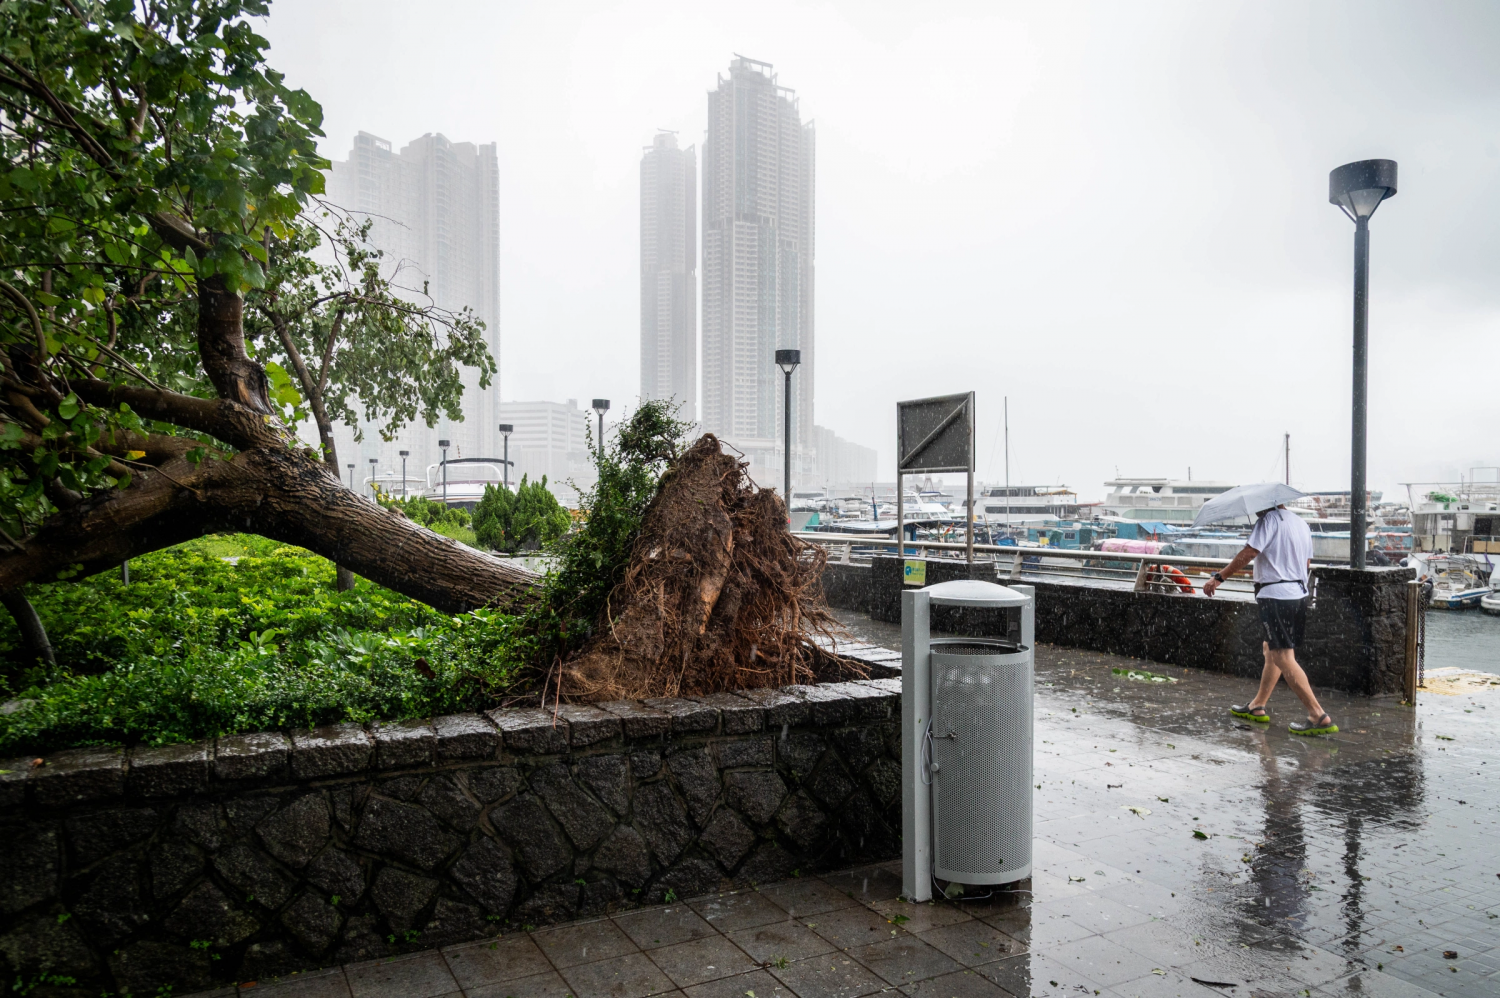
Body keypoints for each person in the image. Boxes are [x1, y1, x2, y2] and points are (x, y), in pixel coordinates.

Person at [1203, 504, 1336, 735]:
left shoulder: (1267, 520)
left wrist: (1219, 577)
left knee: (1282, 655)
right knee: (1272, 649)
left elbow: (1250, 553)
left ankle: (1317, 714)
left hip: (1276, 595)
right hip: (1298, 594)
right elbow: (1306, 563)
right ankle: (1257, 705)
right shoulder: (1300, 523)